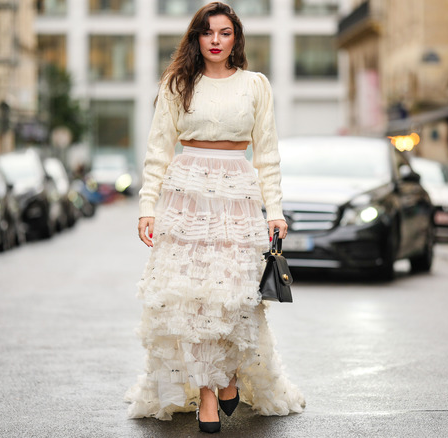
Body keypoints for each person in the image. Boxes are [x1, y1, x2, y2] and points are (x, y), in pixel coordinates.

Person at [125, 1, 305, 433]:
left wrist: (274, 211)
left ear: (236, 38)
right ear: (197, 38)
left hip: (237, 197)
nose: (217, 41)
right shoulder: (178, 84)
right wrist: (147, 206)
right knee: (194, 298)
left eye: (225, 33)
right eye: (208, 33)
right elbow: (157, 151)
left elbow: (267, 154)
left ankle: (228, 380)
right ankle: (209, 392)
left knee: (233, 298)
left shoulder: (256, 86)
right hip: (187, 198)